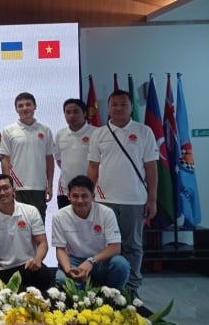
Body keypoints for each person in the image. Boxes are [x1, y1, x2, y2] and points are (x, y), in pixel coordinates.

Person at [88, 89, 158, 297]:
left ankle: (131, 288)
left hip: (134, 199)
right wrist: (89, 195)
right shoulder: (99, 133)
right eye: (114, 105)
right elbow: (93, 166)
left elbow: (152, 168)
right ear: (108, 108)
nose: (119, 108)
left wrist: (152, 199)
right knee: (103, 244)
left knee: (133, 246)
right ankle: (106, 286)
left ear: (131, 107)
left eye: (123, 104)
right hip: (103, 200)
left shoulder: (144, 132)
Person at [53, 175, 130, 290]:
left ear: (93, 197)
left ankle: (111, 298)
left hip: (100, 261)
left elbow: (115, 247)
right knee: (62, 279)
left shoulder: (106, 213)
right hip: (74, 261)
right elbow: (60, 249)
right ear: (68, 196)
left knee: (121, 264)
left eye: (84, 196)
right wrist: (68, 270)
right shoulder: (59, 216)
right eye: (75, 196)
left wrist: (91, 261)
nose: (80, 200)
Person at [0, 174, 51, 292]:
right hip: (3, 270)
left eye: (6, 188)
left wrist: (38, 258)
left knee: (46, 278)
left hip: (28, 266)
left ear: (13, 190)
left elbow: (42, 242)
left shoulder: (30, 211)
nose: (2, 192)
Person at [0, 92, 54, 223]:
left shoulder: (45, 130)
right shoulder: (9, 131)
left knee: (38, 226)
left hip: (38, 187)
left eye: (28, 104)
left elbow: (49, 159)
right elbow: (5, 160)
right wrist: (8, 186)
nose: (24, 108)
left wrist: (50, 185)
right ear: (16, 109)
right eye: (20, 106)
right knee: (18, 226)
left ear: (35, 106)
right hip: (17, 188)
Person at [54, 99, 97, 209]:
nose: (72, 115)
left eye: (76, 111)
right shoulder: (60, 134)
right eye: (68, 112)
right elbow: (59, 160)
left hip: (90, 190)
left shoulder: (96, 133)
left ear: (85, 113)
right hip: (65, 191)